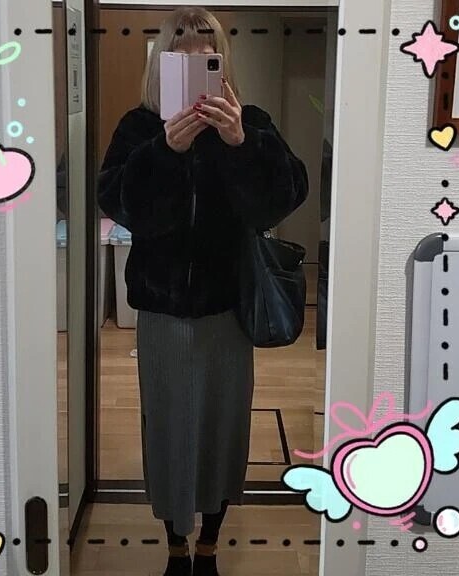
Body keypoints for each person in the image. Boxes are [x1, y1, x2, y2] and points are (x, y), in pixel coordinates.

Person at [97, 7, 308, 576]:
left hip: (227, 307)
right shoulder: (139, 128)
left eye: (205, 44)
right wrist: (165, 152)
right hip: (163, 311)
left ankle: (210, 545)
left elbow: (282, 199)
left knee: (222, 428)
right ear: (163, 60)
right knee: (168, 428)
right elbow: (118, 203)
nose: (194, 54)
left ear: (221, 58)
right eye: (181, 45)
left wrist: (241, 142)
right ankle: (174, 546)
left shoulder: (250, 122)